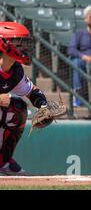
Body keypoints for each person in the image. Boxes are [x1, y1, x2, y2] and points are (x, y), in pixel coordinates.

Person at [0, 22, 54, 175]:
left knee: (18, 107)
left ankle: (3, 162)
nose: (23, 48)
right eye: (18, 43)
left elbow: (32, 91)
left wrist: (44, 107)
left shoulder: (15, 70)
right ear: (3, 44)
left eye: (25, 43)